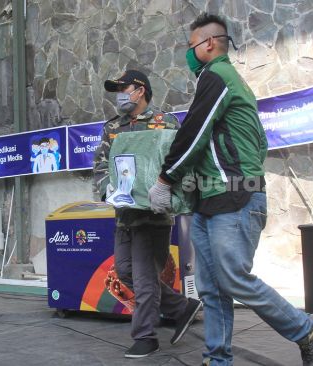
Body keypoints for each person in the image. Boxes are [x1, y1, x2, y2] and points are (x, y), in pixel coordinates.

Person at [148, 13, 313, 366]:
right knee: (212, 289)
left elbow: (194, 132)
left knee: (233, 279)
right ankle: (217, 359)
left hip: (234, 197)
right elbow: (249, 145)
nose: (188, 53)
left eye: (190, 45)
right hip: (211, 200)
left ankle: (305, 328)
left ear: (209, 43)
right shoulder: (224, 82)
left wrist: (165, 179)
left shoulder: (218, 76)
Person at [93, 69, 202, 359]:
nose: (119, 94)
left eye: (123, 88)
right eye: (116, 89)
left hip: (153, 216)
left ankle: (145, 336)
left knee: (143, 280)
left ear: (140, 90)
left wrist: (167, 193)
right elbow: (100, 166)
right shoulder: (112, 128)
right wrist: (108, 191)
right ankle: (182, 307)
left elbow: (176, 163)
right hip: (124, 216)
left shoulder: (164, 122)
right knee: (126, 273)